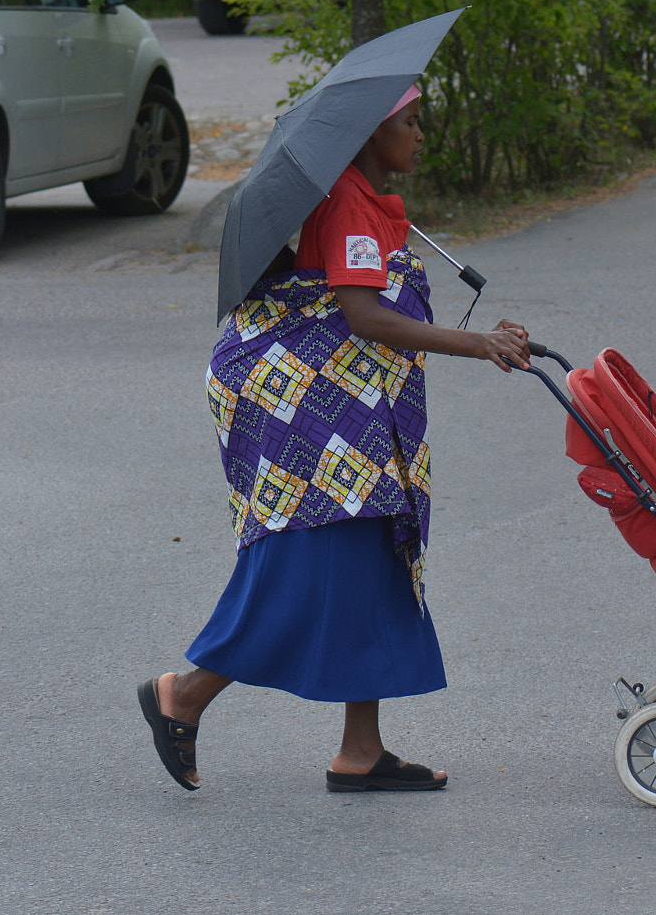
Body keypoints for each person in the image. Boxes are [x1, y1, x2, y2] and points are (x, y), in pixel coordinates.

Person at [139, 85, 530, 792]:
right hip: (314, 422)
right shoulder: (350, 202)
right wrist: (477, 344)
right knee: (304, 571)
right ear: (371, 135)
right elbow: (361, 316)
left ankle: (360, 750)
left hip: (348, 415)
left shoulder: (372, 202)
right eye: (409, 124)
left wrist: (489, 336)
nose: (420, 135)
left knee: (371, 564)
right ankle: (185, 695)